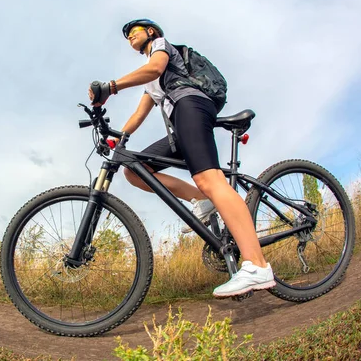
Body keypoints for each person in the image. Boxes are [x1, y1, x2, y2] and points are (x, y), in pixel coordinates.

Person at [88, 19, 275, 297]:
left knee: (209, 179)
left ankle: (257, 265)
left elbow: (154, 67)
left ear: (150, 32)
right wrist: (115, 136)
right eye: (126, 36)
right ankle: (202, 199)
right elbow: (139, 115)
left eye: (133, 32)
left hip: (191, 105)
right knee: (136, 170)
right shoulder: (152, 83)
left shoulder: (160, 48)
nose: (129, 37)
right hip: (181, 122)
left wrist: (111, 87)